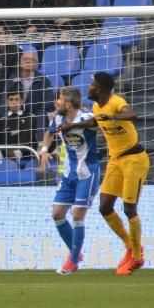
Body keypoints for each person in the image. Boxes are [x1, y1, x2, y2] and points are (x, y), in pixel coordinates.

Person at [60, 72, 150, 276]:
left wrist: (114, 116)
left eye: (92, 84)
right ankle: (130, 247)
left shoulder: (117, 102)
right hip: (115, 160)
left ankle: (137, 256)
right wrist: (71, 126)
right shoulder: (96, 106)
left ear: (99, 87)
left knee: (129, 208)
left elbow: (131, 113)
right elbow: (95, 122)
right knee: (105, 207)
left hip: (134, 159)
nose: (89, 87)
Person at [38, 87, 101, 275]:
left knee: (77, 216)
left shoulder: (86, 118)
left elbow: (99, 122)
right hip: (68, 175)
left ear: (68, 103)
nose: (56, 102)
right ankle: (76, 253)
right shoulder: (58, 118)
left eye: (59, 99)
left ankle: (73, 260)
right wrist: (43, 151)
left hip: (87, 174)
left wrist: (72, 127)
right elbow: (49, 133)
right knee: (57, 214)